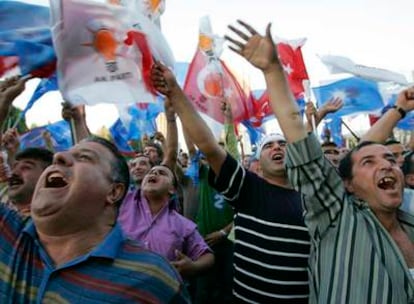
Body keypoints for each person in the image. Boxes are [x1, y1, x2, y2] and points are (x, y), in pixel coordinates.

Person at [226, 19, 414, 303]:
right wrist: (273, 70)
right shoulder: (338, 216)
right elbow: (296, 130)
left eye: (391, 159)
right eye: (369, 163)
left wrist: (400, 109)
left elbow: (364, 149)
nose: (386, 164)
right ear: (346, 184)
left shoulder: (410, 220)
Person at [151, 60, 310, 303]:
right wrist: (175, 92)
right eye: (269, 146)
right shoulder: (248, 189)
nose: (277, 147)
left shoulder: (313, 198)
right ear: (258, 162)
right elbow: (208, 146)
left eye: (283, 144)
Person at [0, 135, 189, 303]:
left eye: (84, 158)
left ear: (114, 192)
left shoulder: (153, 278)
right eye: (60, 156)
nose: (58, 157)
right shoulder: (7, 233)